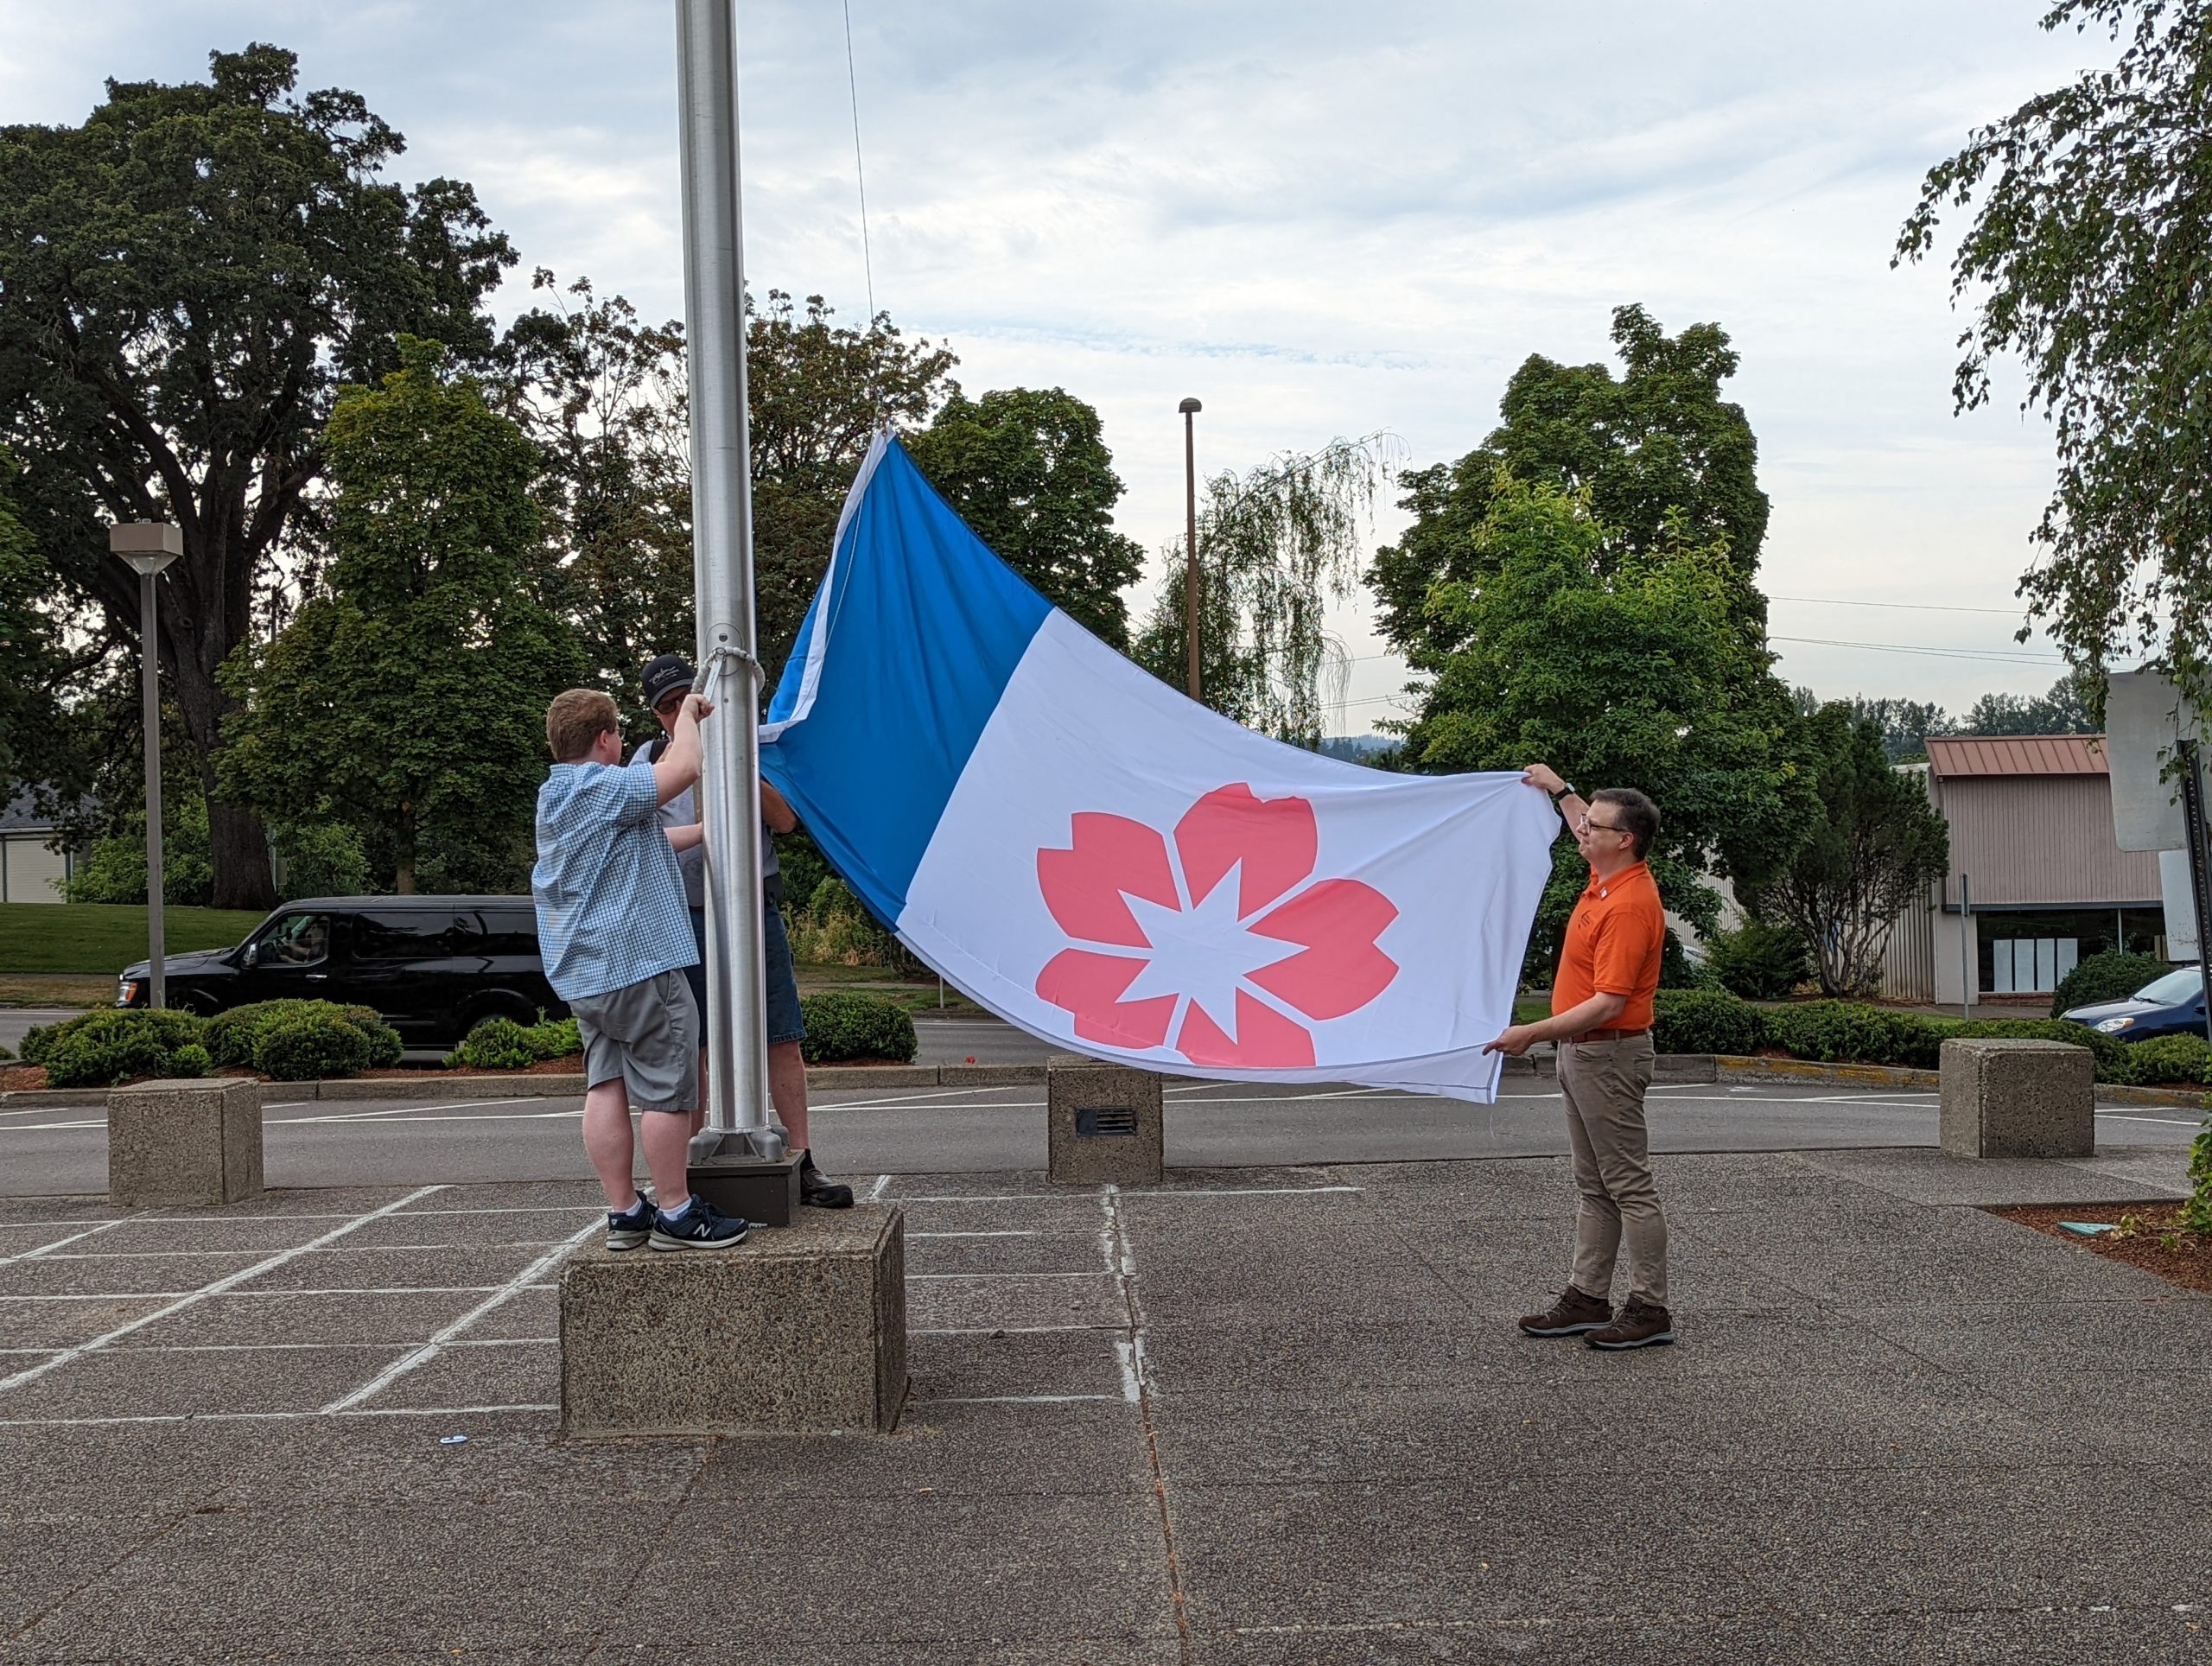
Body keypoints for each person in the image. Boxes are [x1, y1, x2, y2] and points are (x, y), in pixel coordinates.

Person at [533, 686, 750, 1252]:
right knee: (665, 1089)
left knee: (605, 1084)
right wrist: (685, 717)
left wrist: (704, 834)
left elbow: (645, 838)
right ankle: (677, 1212)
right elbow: (684, 766)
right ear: (605, 740)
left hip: (586, 976)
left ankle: (626, 1211)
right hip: (638, 965)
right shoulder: (602, 786)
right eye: (619, 736)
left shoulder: (556, 797)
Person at [636, 652, 855, 1209]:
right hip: (682, 918)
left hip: (755, 912)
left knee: (781, 1035)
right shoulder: (649, 761)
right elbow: (636, 837)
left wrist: (736, 761)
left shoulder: (750, 748)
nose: (675, 712)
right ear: (656, 716)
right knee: (694, 1046)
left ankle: (802, 1161)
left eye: (681, 698)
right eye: (664, 707)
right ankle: (682, 1178)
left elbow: (784, 820)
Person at [1484, 766, 1673, 1350]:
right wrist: (1559, 788)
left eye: (1595, 826)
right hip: (1584, 1056)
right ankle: (1588, 1297)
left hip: (1607, 1056)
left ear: (1626, 840)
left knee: (1628, 1185)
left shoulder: (1628, 906)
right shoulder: (1606, 876)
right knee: (1595, 1185)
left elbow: (1608, 1003)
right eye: (1584, 821)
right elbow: (1580, 819)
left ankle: (1650, 1307)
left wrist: (1531, 1033)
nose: (1582, 831)